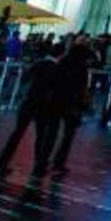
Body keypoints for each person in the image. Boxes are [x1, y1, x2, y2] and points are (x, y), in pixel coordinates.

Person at [0, 43, 63, 176]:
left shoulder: (38, 64)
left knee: (17, 133)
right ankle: (39, 165)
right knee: (41, 134)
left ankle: (2, 162)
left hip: (29, 101)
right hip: (44, 104)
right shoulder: (57, 68)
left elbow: (24, 79)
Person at [42, 37, 96, 173]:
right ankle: (59, 161)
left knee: (52, 133)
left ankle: (43, 160)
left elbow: (52, 81)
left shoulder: (62, 62)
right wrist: (85, 102)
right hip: (72, 103)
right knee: (68, 134)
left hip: (57, 100)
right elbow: (83, 87)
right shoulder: (82, 68)